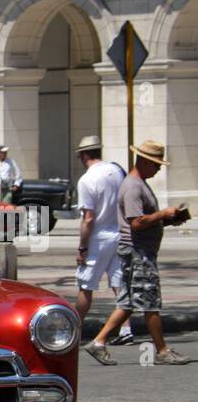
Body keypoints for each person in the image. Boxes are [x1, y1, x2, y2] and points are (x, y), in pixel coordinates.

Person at [85, 139, 191, 365]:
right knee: (150, 301)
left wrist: (169, 220)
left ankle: (98, 342)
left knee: (128, 302)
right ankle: (162, 351)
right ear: (144, 161)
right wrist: (163, 214)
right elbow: (136, 222)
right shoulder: (133, 186)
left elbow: (144, 220)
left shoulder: (138, 182)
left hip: (137, 251)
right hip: (138, 253)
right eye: (156, 164)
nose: (159, 169)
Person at [71, 135, 131, 343]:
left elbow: (88, 218)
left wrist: (82, 248)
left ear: (84, 155)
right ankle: (126, 329)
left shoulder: (87, 180)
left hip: (99, 237)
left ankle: (73, 332)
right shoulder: (116, 170)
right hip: (120, 233)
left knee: (86, 286)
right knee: (119, 282)